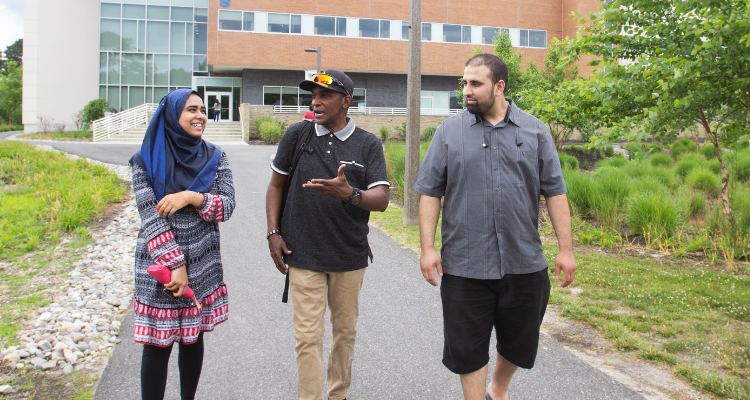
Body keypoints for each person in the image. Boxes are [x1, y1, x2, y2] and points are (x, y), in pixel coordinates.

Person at [413, 54, 576, 400]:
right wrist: (427, 248)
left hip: (524, 261)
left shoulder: (535, 131)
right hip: (465, 262)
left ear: (499, 87)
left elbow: (555, 191)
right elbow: (430, 192)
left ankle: (498, 389)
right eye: (465, 83)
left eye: (475, 84)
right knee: (466, 346)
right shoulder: (448, 132)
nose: (466, 91)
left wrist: (566, 249)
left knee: (521, 341)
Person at [265, 69, 390, 400]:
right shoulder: (297, 136)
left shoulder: (367, 144)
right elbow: (275, 186)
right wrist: (273, 232)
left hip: (348, 255)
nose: (315, 102)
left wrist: (350, 194)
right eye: (313, 95)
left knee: (345, 333)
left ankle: (338, 395)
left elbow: (382, 199)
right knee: (307, 335)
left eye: (324, 96)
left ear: (346, 101)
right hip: (302, 253)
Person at [129, 88, 235, 400]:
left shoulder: (215, 157)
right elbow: (151, 218)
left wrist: (191, 196)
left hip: (203, 264)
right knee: (156, 347)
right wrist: (175, 265)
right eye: (191, 109)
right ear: (173, 115)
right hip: (160, 265)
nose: (200, 116)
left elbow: (226, 206)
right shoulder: (144, 161)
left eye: (202, 109)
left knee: (192, 339)